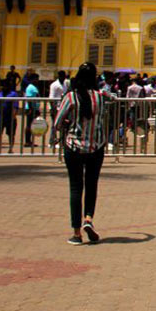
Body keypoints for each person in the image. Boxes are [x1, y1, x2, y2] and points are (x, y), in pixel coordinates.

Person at [53, 62, 110, 245]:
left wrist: (68, 122)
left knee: (76, 188)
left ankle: (77, 234)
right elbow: (112, 100)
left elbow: (57, 123)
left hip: (74, 148)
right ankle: (88, 219)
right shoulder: (101, 97)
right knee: (91, 185)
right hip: (96, 147)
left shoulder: (70, 97)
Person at [49, 73, 66, 147]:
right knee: (54, 125)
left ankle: (62, 142)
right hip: (55, 107)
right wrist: (53, 109)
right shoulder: (54, 85)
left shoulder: (65, 84)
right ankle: (52, 141)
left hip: (62, 107)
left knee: (63, 125)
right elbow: (51, 98)